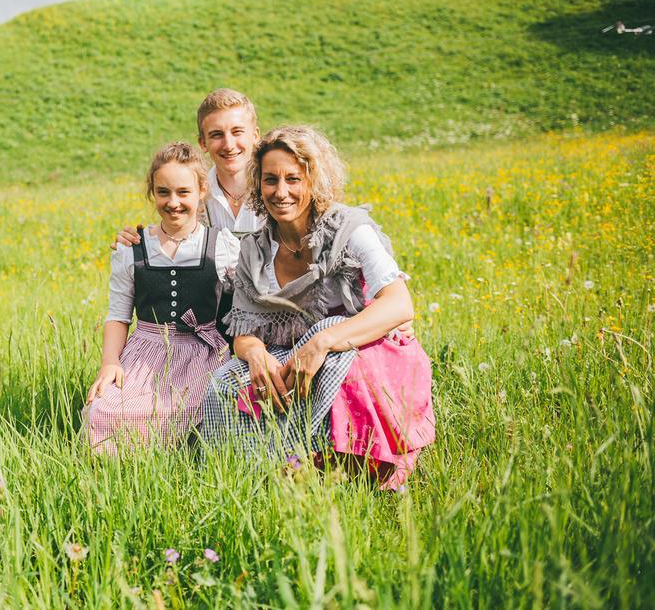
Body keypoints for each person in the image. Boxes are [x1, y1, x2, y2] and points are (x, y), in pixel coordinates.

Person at [200, 126, 435, 490]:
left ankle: (344, 466)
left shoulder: (348, 229)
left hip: (360, 348)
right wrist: (258, 355)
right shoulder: (254, 250)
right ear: (258, 185)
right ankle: (252, 471)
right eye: (270, 180)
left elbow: (399, 303)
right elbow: (243, 334)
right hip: (288, 353)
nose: (281, 192)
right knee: (223, 383)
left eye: (293, 178)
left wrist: (321, 342)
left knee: (340, 366)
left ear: (314, 179)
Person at [83, 142, 241, 454]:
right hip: (144, 352)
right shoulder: (132, 249)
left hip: (203, 352)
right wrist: (110, 363)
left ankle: (186, 464)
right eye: (163, 192)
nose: (173, 202)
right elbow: (118, 315)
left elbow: (245, 305)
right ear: (152, 192)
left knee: (195, 412)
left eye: (183, 192)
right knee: (103, 411)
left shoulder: (221, 246)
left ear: (200, 192)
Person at [115, 88, 265, 246]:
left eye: (237, 132)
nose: (228, 145)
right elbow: (169, 240)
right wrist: (135, 245)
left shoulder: (278, 191)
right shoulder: (189, 193)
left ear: (255, 136)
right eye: (216, 135)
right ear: (203, 143)